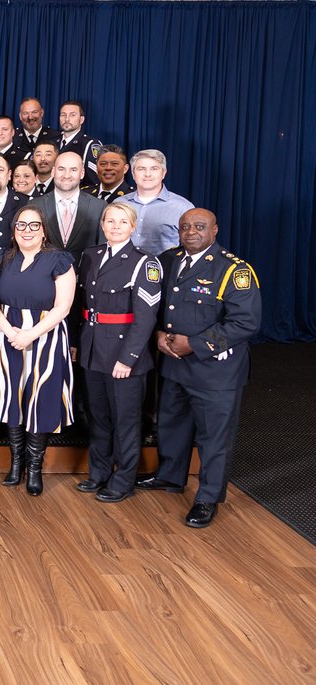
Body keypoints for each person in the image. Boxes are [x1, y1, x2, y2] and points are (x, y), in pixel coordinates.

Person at [138, 208, 261, 528]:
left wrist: (195, 343)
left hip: (215, 370)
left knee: (213, 438)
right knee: (172, 424)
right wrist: (158, 334)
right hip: (174, 363)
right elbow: (158, 305)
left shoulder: (234, 270)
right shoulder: (169, 259)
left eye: (199, 226)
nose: (191, 231)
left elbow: (245, 323)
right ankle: (170, 476)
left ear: (215, 230)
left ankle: (208, 497)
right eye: (185, 227)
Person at [75, 202, 162, 502]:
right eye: (109, 221)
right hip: (92, 347)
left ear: (133, 226)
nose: (114, 226)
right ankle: (98, 472)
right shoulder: (90, 255)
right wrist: (77, 343)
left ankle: (123, 478)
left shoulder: (144, 263)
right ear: (102, 225)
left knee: (125, 419)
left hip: (123, 353)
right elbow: (81, 307)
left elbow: (146, 317)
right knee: (97, 416)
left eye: (121, 222)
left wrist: (128, 358)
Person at [0, 205, 77, 497]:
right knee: (12, 397)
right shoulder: (2, 258)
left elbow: (63, 307)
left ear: (44, 230)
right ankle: (16, 464)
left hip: (45, 335)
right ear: (13, 230)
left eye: (34, 225)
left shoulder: (59, 260)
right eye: (21, 225)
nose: (27, 230)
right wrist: (7, 329)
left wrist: (30, 334)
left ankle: (35, 468)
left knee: (41, 399)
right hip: (8, 333)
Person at [27, 151, 105, 264]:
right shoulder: (34, 205)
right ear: (53, 172)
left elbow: (102, 247)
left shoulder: (99, 206)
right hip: (45, 276)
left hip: (85, 275)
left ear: (82, 173)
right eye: (61, 169)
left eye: (73, 170)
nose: (67, 175)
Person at [115, 149, 195, 257]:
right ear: (133, 174)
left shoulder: (183, 207)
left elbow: (191, 247)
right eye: (141, 169)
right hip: (122, 269)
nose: (147, 174)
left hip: (164, 270)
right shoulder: (119, 203)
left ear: (164, 173)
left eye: (154, 169)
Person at [57, 100, 103, 185]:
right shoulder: (51, 141)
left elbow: (94, 181)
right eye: (63, 115)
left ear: (81, 120)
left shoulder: (89, 144)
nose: (67, 119)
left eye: (72, 115)